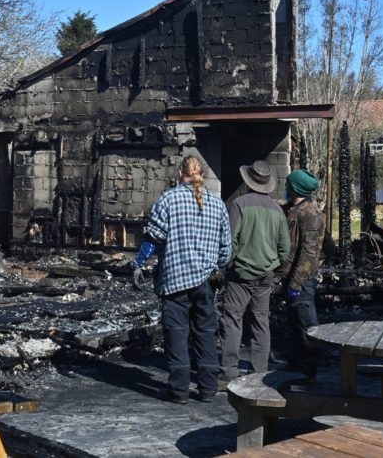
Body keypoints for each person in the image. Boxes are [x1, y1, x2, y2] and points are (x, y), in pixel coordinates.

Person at [134, 155, 232, 404]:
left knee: (177, 335)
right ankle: (208, 389)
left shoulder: (168, 199)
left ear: (180, 174)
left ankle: (179, 391)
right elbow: (226, 249)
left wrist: (138, 264)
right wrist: (216, 269)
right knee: (206, 334)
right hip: (206, 282)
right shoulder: (217, 204)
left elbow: (153, 238)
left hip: (175, 279)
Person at [219, 160, 291, 384]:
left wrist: (231, 264)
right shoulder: (277, 210)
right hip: (265, 275)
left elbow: (229, 241)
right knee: (261, 321)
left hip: (240, 274)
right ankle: (259, 371)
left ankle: (228, 372)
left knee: (232, 320)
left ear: (248, 181)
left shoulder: (239, 204)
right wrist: (271, 264)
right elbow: (285, 248)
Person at [279, 168, 324, 379]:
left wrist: (296, 283)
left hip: (302, 280)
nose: (285, 188)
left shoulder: (310, 214)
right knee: (294, 323)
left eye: (288, 185)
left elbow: (309, 252)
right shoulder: (294, 209)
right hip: (291, 275)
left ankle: (308, 368)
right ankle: (295, 363)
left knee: (306, 324)